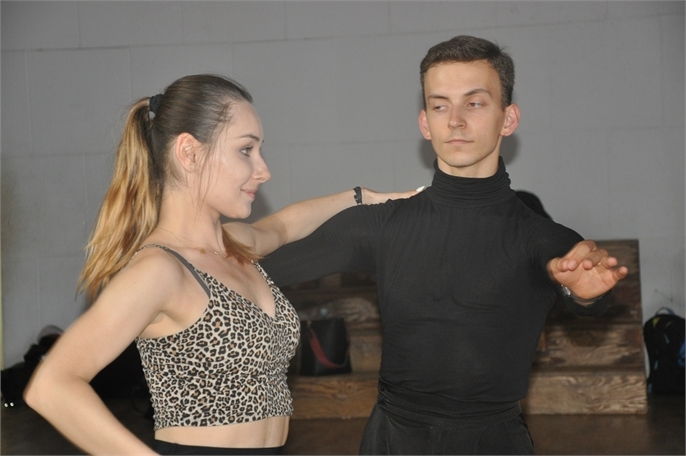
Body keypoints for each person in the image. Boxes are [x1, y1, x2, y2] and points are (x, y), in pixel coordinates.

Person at [260, 35, 629, 455]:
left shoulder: (540, 237)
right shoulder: (385, 225)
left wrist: (583, 293)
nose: (455, 120)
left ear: (508, 119)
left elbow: (586, 292)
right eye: (440, 106)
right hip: (392, 441)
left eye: (474, 103)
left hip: (494, 443)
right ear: (424, 123)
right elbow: (260, 267)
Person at [24, 74, 415, 455]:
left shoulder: (236, 245)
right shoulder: (160, 270)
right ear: (189, 153)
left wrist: (363, 197)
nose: (263, 170)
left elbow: (284, 225)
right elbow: (52, 386)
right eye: (246, 150)